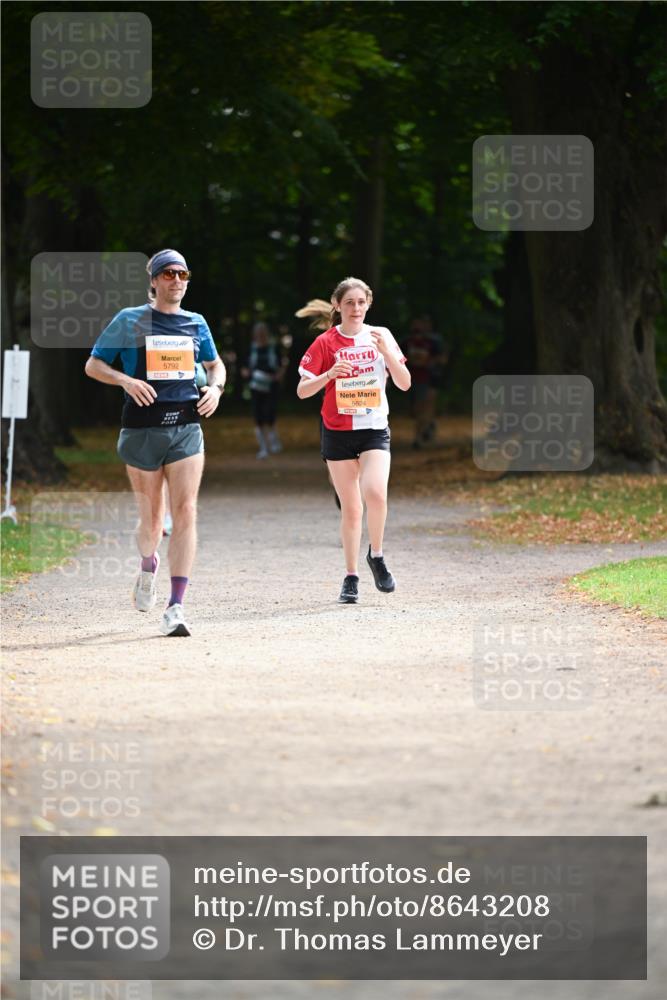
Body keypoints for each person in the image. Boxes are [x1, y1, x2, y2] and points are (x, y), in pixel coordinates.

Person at [85, 249, 226, 637]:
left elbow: (216, 364)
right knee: (151, 521)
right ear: (153, 280)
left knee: (186, 510)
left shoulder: (196, 323)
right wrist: (126, 381)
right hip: (142, 430)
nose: (176, 280)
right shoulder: (129, 320)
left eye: (183, 273)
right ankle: (148, 565)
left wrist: (216, 388)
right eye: (168, 274)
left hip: (186, 427)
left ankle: (176, 606)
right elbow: (94, 364)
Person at [296, 277, 411, 604]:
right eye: (349, 303)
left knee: (375, 492)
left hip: (374, 427)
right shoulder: (325, 343)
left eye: (361, 302)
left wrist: (388, 353)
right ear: (337, 305)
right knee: (351, 509)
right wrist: (329, 374)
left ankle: (376, 555)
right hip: (337, 432)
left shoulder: (381, 336)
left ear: (369, 304)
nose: (356, 308)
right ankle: (350, 577)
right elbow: (302, 391)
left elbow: (404, 384)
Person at [403, 314, 449, 449]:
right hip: (413, 378)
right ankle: (427, 426)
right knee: (418, 408)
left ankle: (418, 437)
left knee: (426, 405)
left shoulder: (434, 341)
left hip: (430, 378)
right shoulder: (407, 341)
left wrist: (429, 363)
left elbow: (442, 358)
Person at [241, 321, 284, 459]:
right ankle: (263, 447)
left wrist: (279, 375)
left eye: (262, 333)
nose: (260, 335)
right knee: (258, 416)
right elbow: (244, 367)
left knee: (270, 413)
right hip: (255, 387)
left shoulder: (274, 347)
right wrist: (246, 373)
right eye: (258, 333)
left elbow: (281, 365)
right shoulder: (250, 349)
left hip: (271, 386)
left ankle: (273, 442)